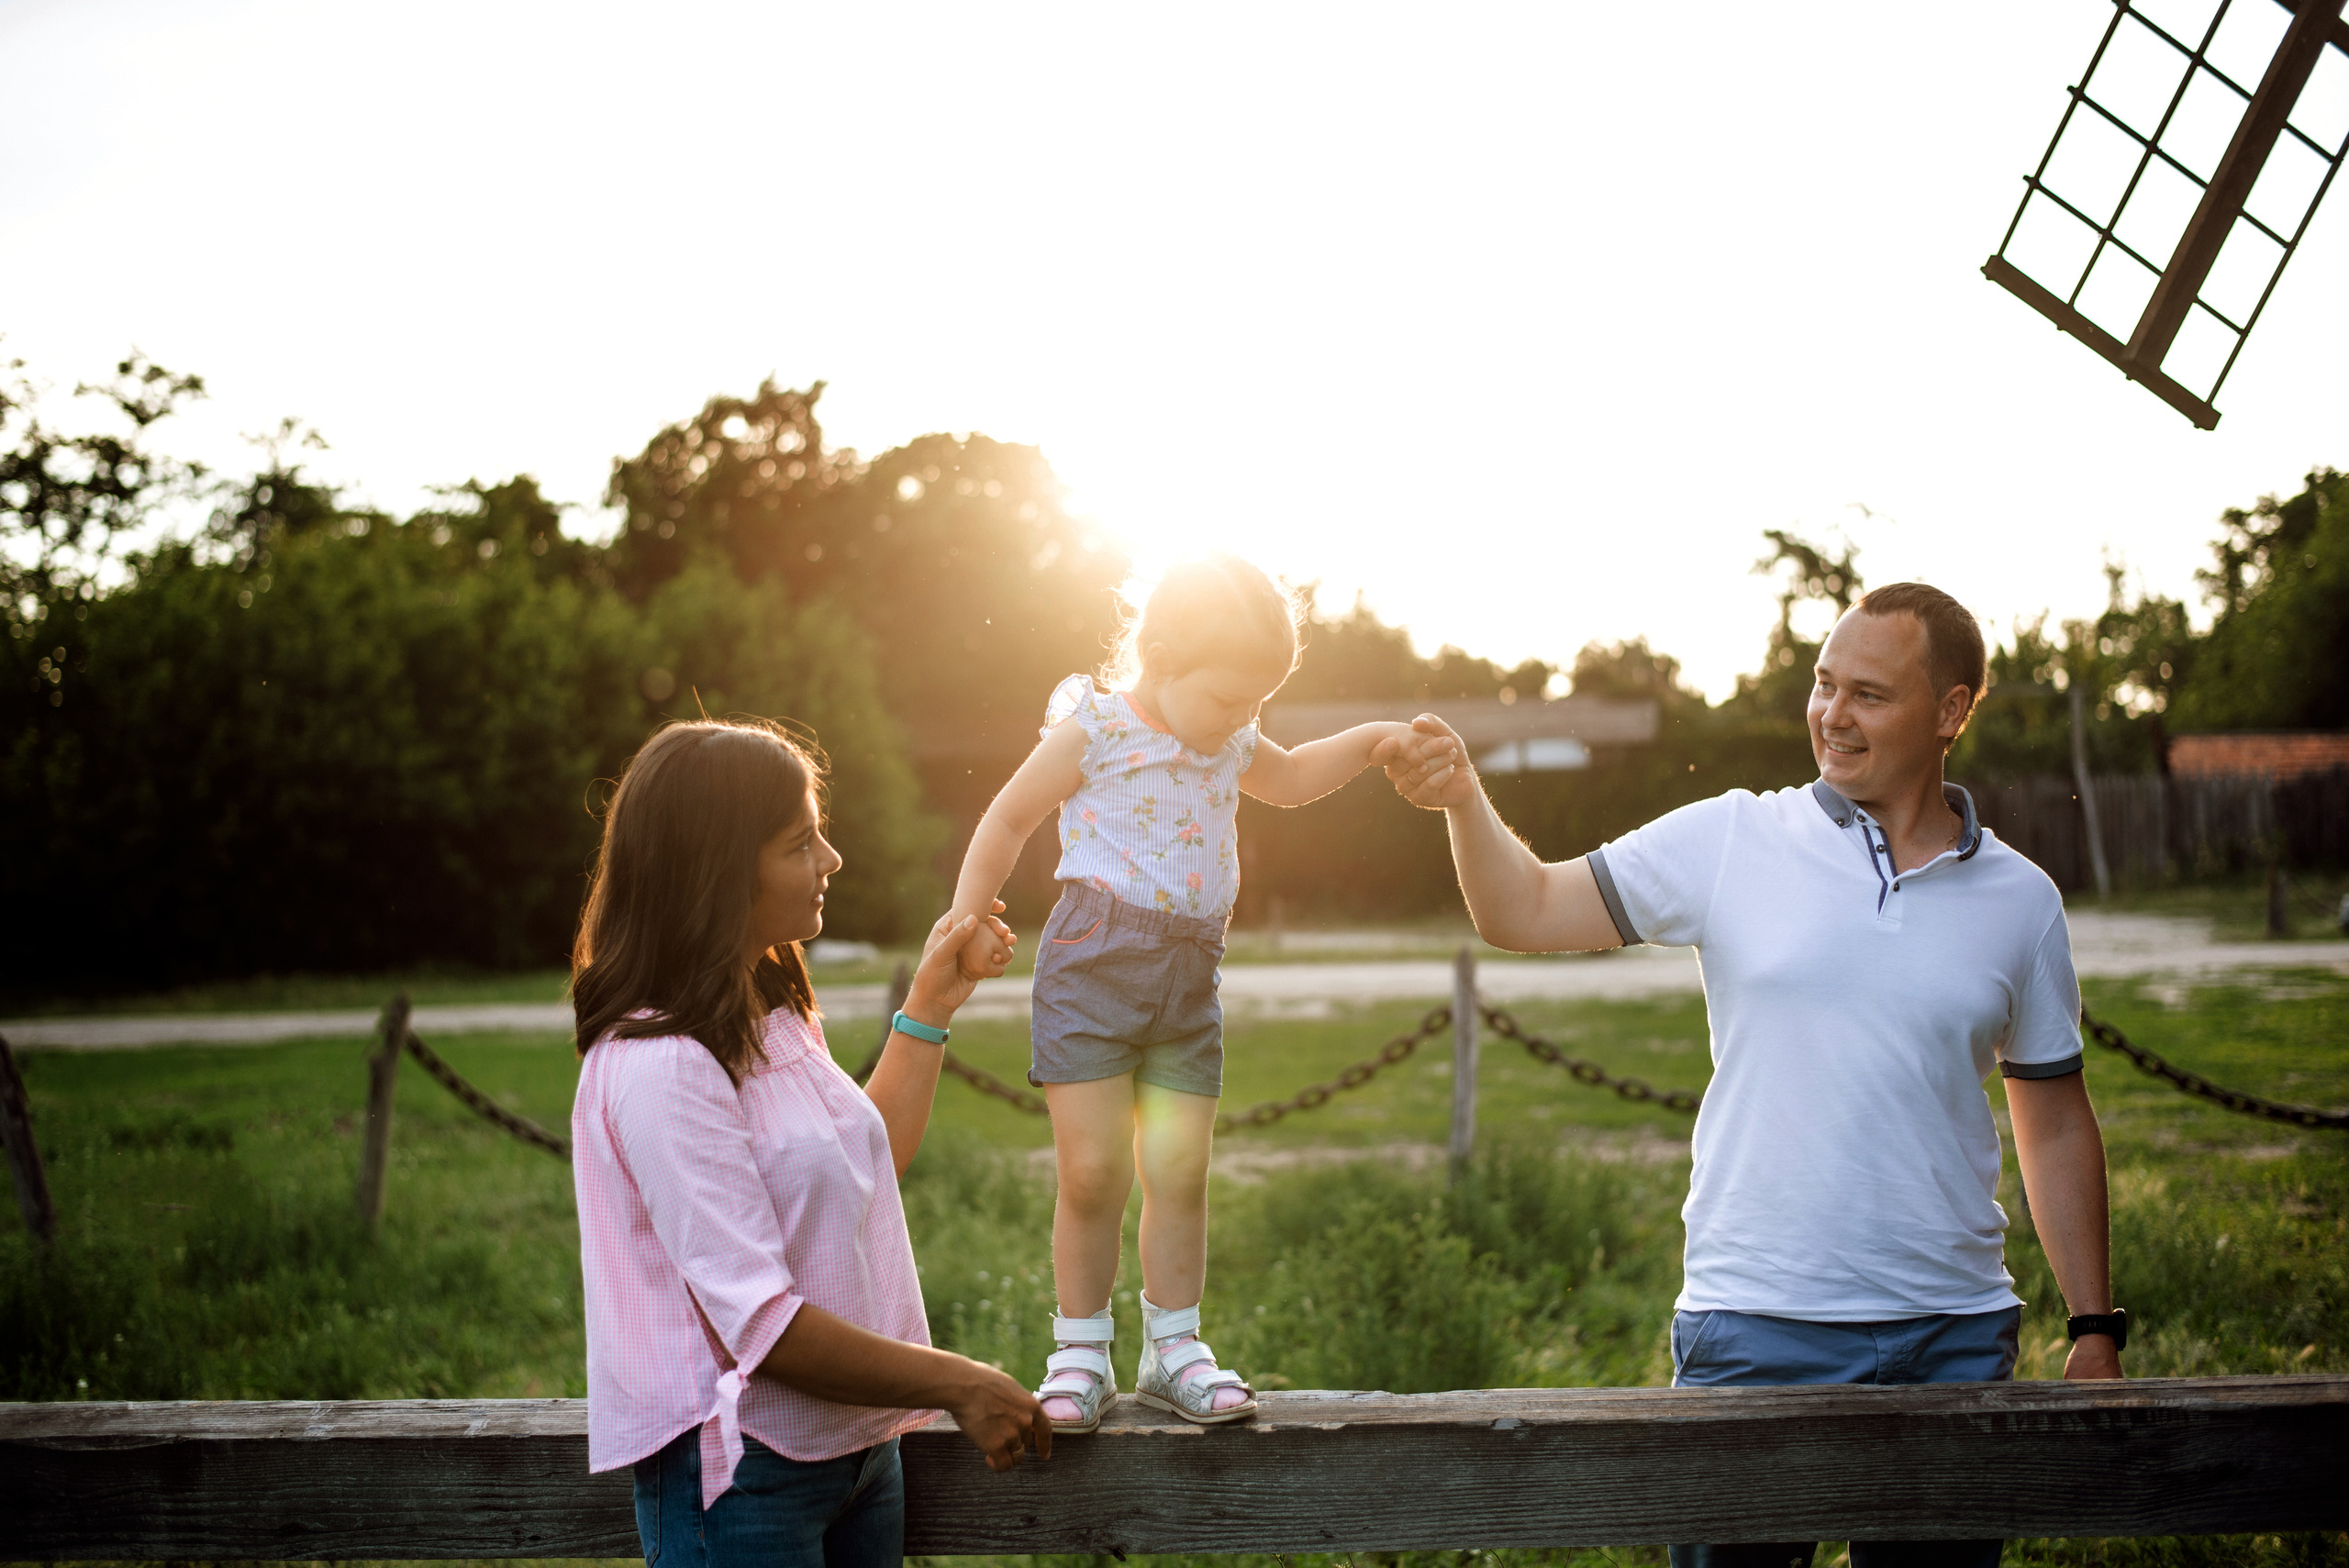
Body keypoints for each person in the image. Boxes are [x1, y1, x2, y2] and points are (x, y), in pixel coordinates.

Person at [1381, 583, 2124, 1568]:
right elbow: (1524, 909)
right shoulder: (1732, 838)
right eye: (1823, 683)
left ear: (1950, 711)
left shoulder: (2021, 899)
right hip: (1757, 1324)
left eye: (1868, 693)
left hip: (1951, 1330)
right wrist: (1464, 801)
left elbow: (2054, 1119)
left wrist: (2092, 1324)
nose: (1832, 714)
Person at [946, 555, 1428, 1431]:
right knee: (1093, 1172)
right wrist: (965, 920)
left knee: (1179, 1170)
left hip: (1188, 983)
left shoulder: (1229, 741)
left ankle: (1173, 1348)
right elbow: (1009, 816)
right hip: (1091, 972)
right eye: (1229, 699)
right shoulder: (1095, 728)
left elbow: (1292, 777)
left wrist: (1370, 741)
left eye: (1256, 704)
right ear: (1161, 660)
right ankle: (1080, 1353)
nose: (1242, 720)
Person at [569, 718, 1052, 1568]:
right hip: (743, 1477)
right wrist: (957, 1380)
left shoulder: (766, 1007)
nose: (831, 858)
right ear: (718, 869)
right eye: (800, 842)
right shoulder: (661, 1064)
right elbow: (764, 1326)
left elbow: (863, 1165)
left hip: (858, 1455)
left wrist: (931, 1005)